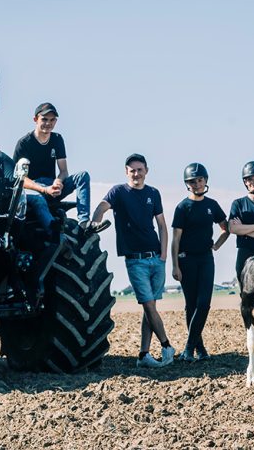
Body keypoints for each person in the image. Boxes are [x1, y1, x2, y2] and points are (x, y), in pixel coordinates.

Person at [91, 153, 175, 368]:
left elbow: (163, 226)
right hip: (135, 261)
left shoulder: (153, 193)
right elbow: (102, 206)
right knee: (148, 305)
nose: (136, 173)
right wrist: (95, 221)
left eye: (140, 169)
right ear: (126, 172)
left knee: (150, 309)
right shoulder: (118, 192)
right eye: (132, 170)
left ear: (146, 170)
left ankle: (143, 355)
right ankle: (166, 345)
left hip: (156, 258)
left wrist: (164, 255)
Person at [13, 102, 109, 239]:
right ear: (35, 119)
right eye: (44, 119)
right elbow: (19, 178)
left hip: (52, 186)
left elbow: (64, 171)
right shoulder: (24, 143)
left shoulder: (57, 139)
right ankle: (55, 233)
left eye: (52, 120)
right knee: (39, 200)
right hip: (33, 188)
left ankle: (84, 223)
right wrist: (44, 189)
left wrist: (58, 181)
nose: (48, 123)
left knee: (83, 176)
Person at [171, 163, 230, 362]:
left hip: (206, 259)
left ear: (205, 181)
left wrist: (216, 246)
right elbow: (176, 239)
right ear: (187, 184)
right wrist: (175, 265)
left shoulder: (211, 205)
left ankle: (188, 348)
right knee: (191, 305)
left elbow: (226, 228)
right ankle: (200, 349)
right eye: (192, 182)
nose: (196, 184)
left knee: (204, 303)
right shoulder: (182, 207)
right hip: (186, 260)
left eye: (199, 180)